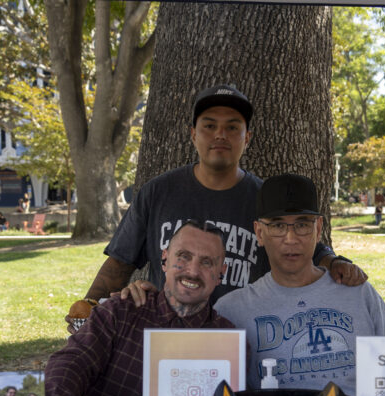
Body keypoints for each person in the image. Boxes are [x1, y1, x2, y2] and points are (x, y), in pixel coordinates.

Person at [80, 84, 366, 309]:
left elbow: (307, 248)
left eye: (232, 127)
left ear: (247, 138)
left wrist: (336, 262)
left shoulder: (264, 197)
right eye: (209, 125)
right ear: (193, 134)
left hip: (245, 335)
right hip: (171, 333)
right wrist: (89, 304)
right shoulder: (158, 192)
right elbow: (120, 261)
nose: (220, 134)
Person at [44, 220, 234, 396]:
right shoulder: (121, 310)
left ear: (221, 272)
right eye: (183, 256)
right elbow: (74, 360)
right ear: (164, 259)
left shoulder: (227, 339)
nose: (193, 271)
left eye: (207, 262)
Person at [215, 174, 385, 396]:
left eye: (302, 224)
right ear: (259, 233)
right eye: (277, 225)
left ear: (319, 228)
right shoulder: (232, 310)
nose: (291, 238)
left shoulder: (357, 292)